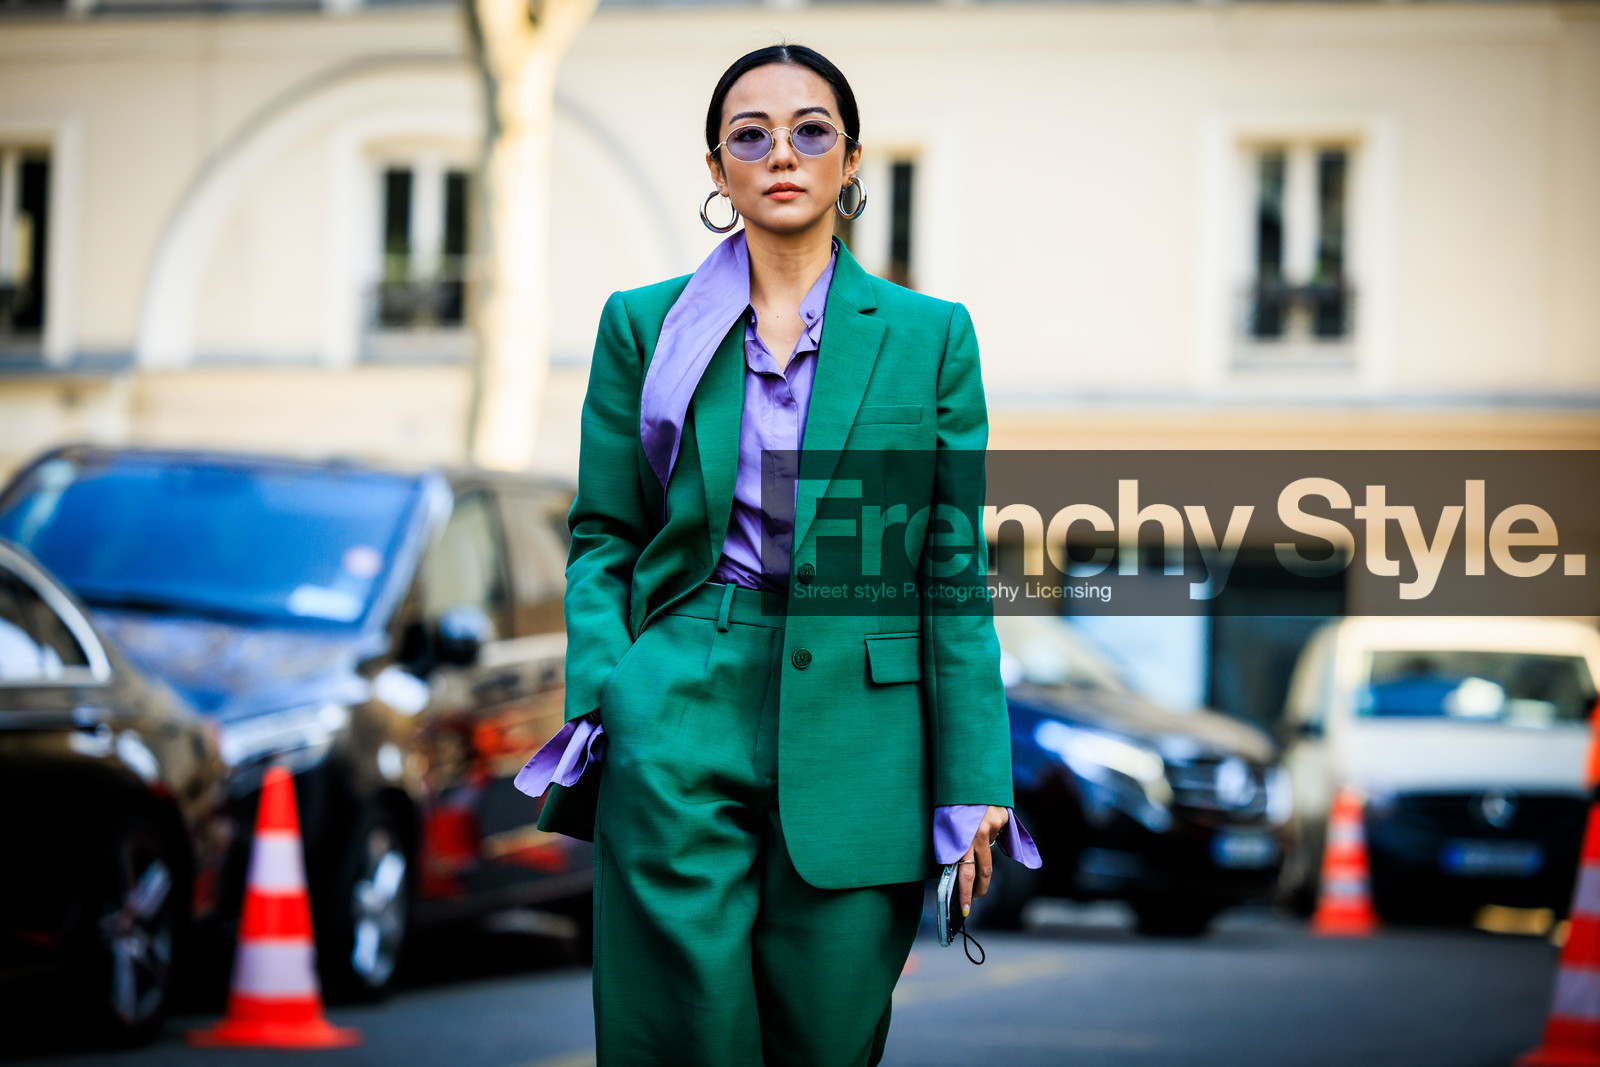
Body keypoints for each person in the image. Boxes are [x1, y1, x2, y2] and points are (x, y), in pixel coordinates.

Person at [515, 42, 1040, 1067]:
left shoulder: (932, 336)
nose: (781, 153)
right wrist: (609, 688)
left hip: (865, 726)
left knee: (826, 1036)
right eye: (749, 136)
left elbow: (950, 565)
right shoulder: (643, 324)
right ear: (718, 171)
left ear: (850, 163)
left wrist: (976, 775)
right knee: (680, 1032)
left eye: (811, 132)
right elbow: (604, 534)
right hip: (680, 698)